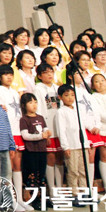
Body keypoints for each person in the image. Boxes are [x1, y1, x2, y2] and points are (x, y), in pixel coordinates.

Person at [0, 65, 32, 212]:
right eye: (5, 74)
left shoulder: (15, 93)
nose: (9, 77)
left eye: (10, 74)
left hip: (17, 131)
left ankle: (20, 199)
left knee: (17, 166)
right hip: (7, 132)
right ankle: (9, 199)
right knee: (8, 168)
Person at [56, 84, 92, 207]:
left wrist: (87, 144)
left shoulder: (78, 110)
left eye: (72, 95)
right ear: (60, 97)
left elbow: (83, 127)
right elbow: (62, 130)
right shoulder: (61, 112)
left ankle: (85, 193)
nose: (70, 98)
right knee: (73, 171)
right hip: (71, 146)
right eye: (66, 95)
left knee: (83, 171)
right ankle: (75, 194)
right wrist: (65, 147)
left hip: (82, 145)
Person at [33, 63, 63, 196]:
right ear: (39, 76)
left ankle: (61, 188)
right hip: (48, 128)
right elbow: (39, 111)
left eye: (51, 71)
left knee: (60, 158)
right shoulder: (38, 89)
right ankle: (52, 189)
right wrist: (44, 130)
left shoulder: (58, 88)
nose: (49, 74)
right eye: (45, 72)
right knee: (50, 158)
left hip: (60, 127)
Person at [19, 93, 51, 211]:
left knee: (41, 175)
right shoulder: (24, 119)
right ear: (24, 105)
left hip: (42, 150)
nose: (34, 105)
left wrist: (47, 133)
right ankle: (33, 199)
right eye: (30, 102)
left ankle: (42, 198)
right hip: (31, 151)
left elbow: (45, 129)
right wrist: (40, 136)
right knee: (31, 175)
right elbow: (25, 135)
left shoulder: (40, 117)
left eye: (35, 102)